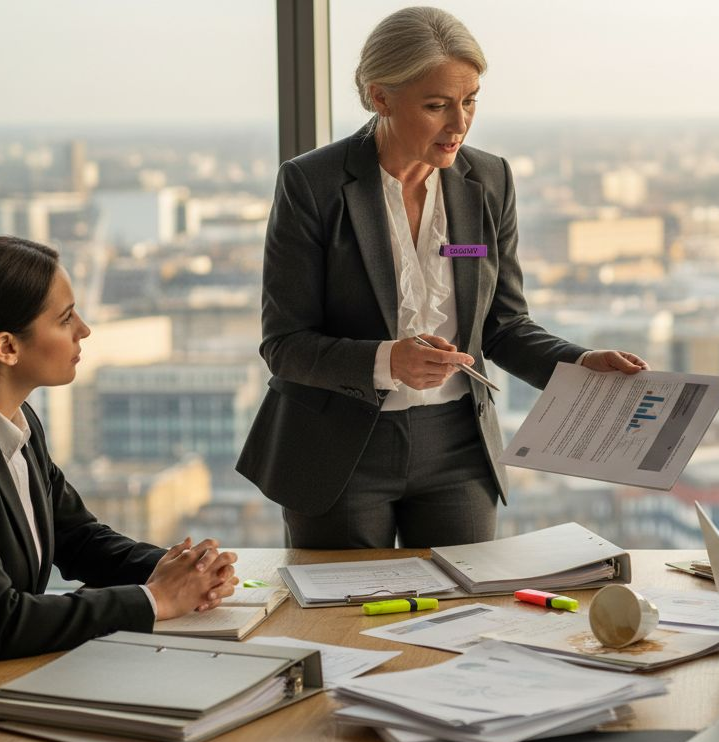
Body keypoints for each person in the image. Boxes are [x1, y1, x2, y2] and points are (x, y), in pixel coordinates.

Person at [237, 7, 648, 549]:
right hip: (340, 447)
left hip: (459, 444)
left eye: (470, 100)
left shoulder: (490, 179)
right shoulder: (311, 184)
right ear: (380, 97)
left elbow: (503, 325)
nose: (459, 123)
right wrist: (389, 360)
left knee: (467, 619)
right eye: (437, 106)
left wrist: (577, 365)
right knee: (349, 623)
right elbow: (284, 345)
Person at [0, 236, 239, 727]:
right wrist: (157, 598)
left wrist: (182, 569)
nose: (85, 331)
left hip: (1, 683)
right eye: (66, 318)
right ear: (7, 347)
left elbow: (79, 538)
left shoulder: (15, 419)